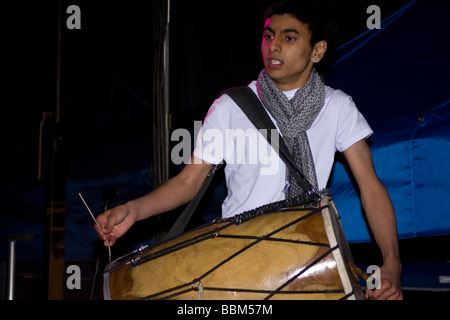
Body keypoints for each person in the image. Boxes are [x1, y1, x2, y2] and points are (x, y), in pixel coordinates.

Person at [95, 0, 402, 300]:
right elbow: (188, 182)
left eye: (289, 37)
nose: (274, 45)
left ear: (317, 50)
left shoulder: (337, 107)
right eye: (269, 36)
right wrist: (134, 210)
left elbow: (371, 188)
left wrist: (392, 263)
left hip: (309, 262)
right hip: (235, 262)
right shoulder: (232, 106)